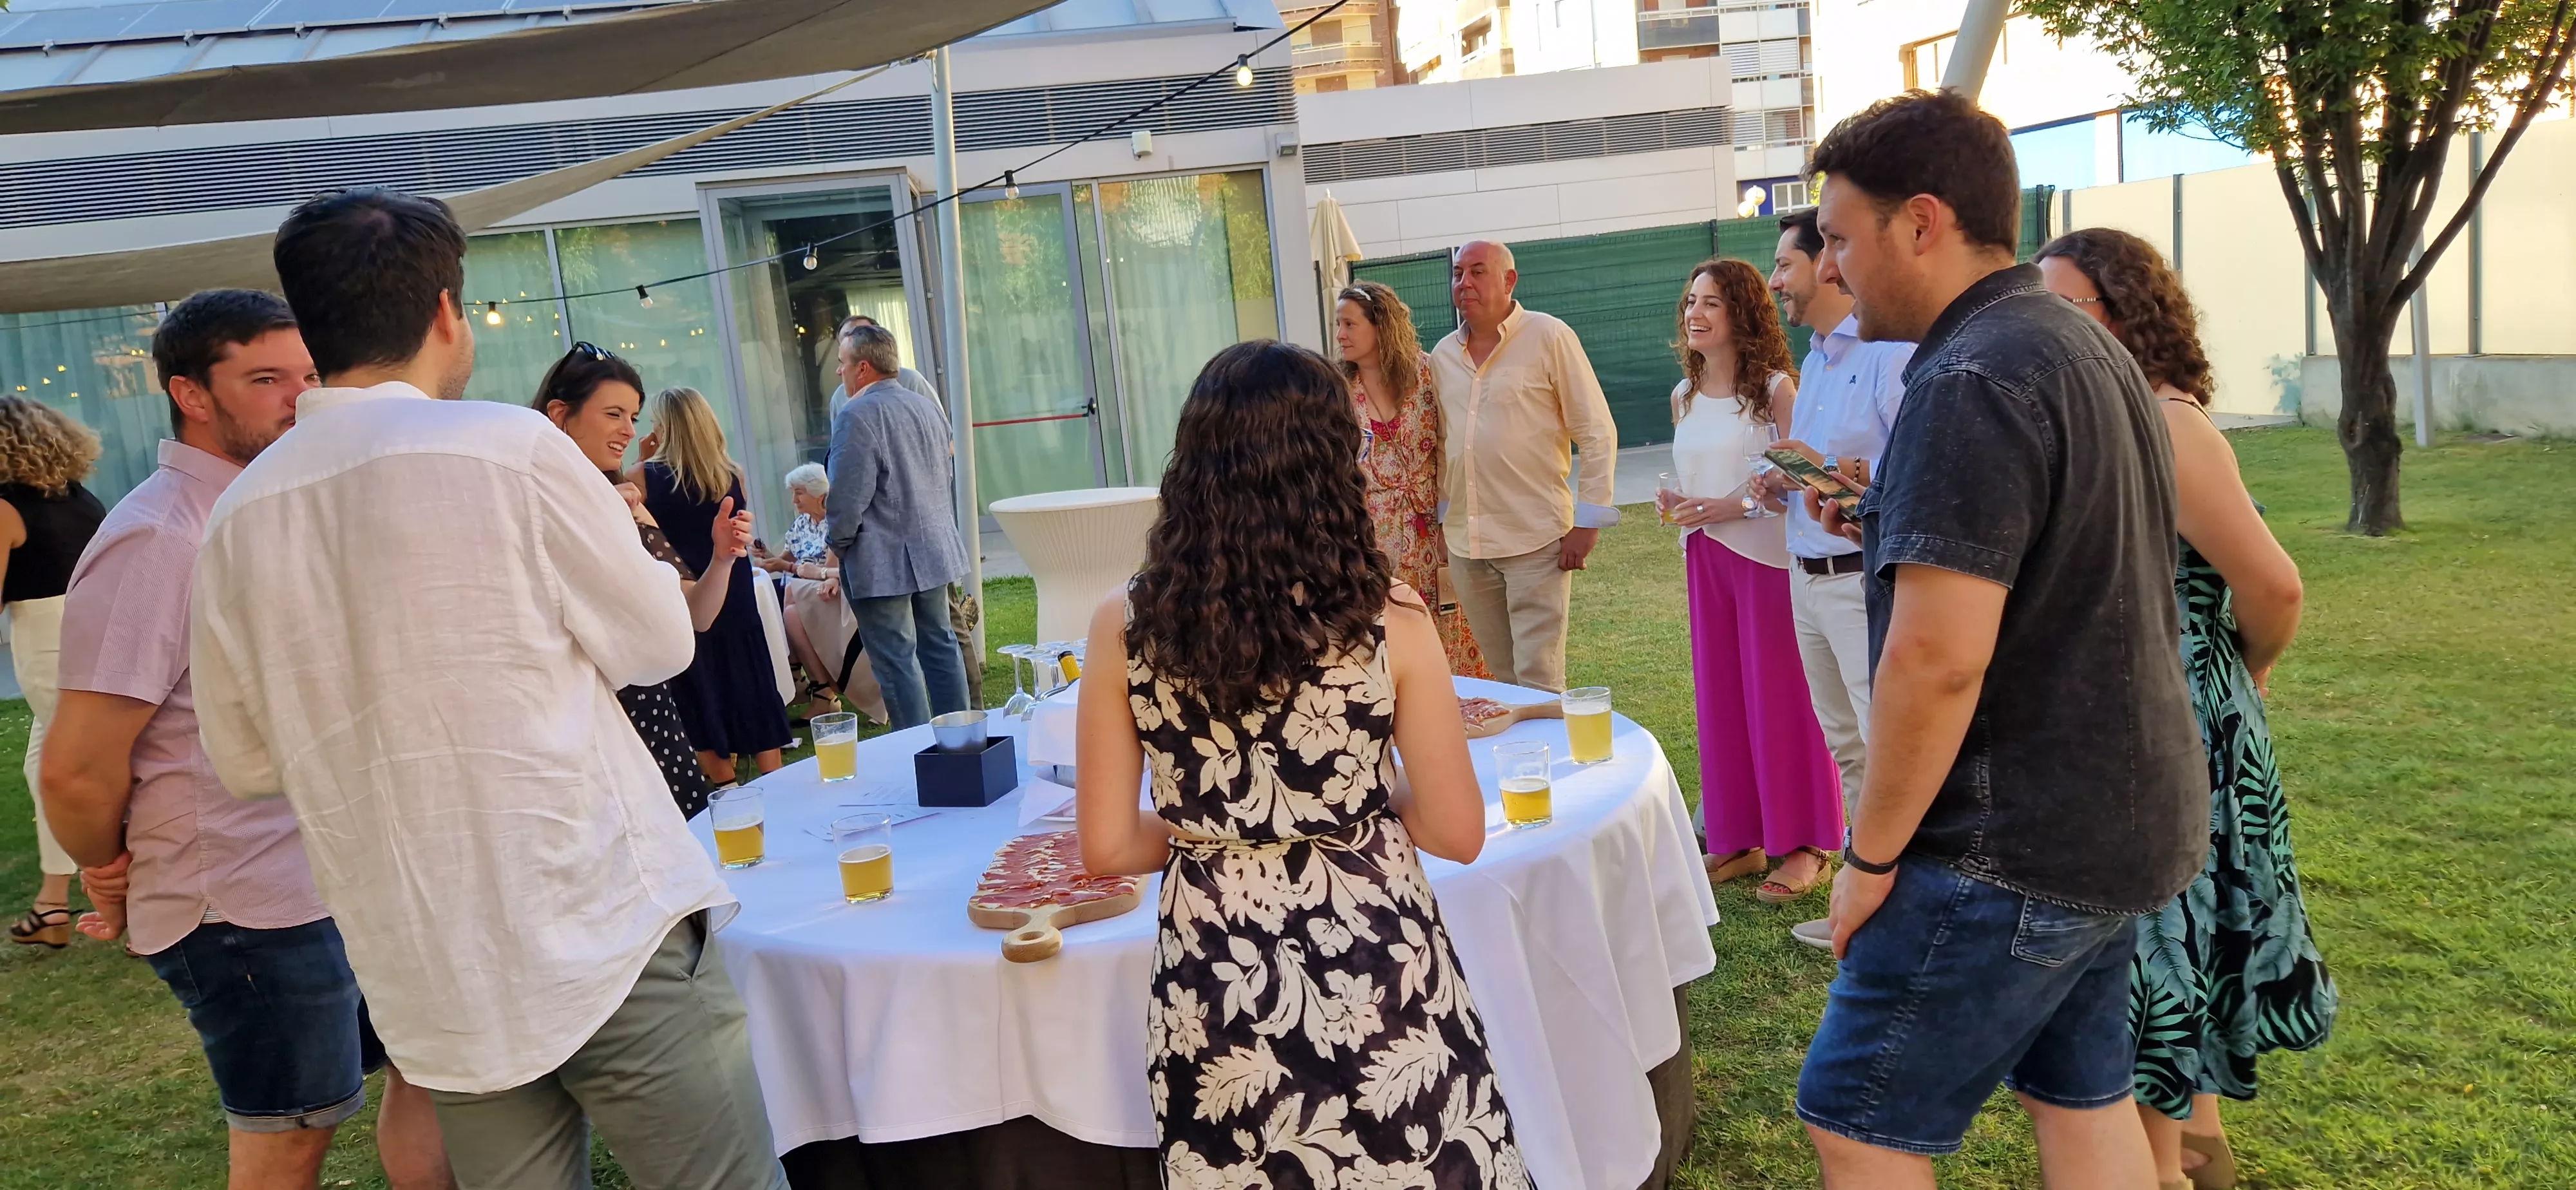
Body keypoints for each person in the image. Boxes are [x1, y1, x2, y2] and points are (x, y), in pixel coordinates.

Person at [189, 187, 784, 1190]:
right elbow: (657, 640)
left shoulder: (240, 517)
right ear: (447, 313)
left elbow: (246, 760)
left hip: (428, 957)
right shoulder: (510, 448)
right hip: (597, 917)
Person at [1792, 92, 2204, 1189]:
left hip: (2010, 838)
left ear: (1920, 222)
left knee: (1856, 1117)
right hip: (2116, 820)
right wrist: (1892, 510)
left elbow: (1938, 658)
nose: (1831, 268)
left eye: (1840, 236)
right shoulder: (2077, 341)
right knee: (2081, 1097)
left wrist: (1869, 856)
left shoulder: (1972, 373)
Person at [1074, 339, 1529, 1189]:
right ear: (1333, 464)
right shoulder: (1391, 621)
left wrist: (1211, 833)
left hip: (1216, 976)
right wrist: (1360, 800)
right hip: (1376, 962)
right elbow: (1457, 832)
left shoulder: (1124, 624)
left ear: (1195, 464)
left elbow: (1103, 847)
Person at [38, 288, 455, 1189]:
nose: (297, 399)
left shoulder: (281, 506)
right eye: (265, 379)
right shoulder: (159, 537)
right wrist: (105, 865)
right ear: (190, 393)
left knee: (433, 1073)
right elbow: (76, 765)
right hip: (243, 899)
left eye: (307, 377)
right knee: (290, 1141)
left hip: (340, 867)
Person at [2038, 228, 2336, 1190]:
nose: (2043, 328)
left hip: (2184, 721)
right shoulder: (2101, 418)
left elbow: (2274, 588)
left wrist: (2239, 680)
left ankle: (2171, 1159)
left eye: (2063, 306)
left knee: (2166, 948)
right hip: (2121, 718)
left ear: (2121, 313)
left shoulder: (2170, 424)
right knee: (2168, 950)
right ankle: (2195, 1148)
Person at [1657, 258, 1845, 903]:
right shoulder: (1682, 396)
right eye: (1690, 302)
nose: (1695, 314)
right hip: (1704, 558)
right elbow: (1701, 479)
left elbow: (1799, 478)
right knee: (1722, 696)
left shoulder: (1774, 390)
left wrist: (1730, 506)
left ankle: (1805, 843)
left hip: (1764, 561)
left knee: (1779, 698)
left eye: (1710, 302)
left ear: (1741, 312)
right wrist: (1681, 503)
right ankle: (1737, 838)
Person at [1767, 207, 1917, 950]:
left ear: (1825, 264)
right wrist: (1791, 479)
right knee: (1849, 748)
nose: (1776, 283)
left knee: (1884, 747)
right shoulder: (1819, 360)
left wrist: (1846, 478)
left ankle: (1905, 906)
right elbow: (1832, 472)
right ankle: (1867, 905)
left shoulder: (1890, 355)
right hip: (1806, 576)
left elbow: (1910, 471)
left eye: (1784, 266)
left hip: (1863, 580)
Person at [534, 343, 752, 820]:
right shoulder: (535, 501)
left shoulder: (627, 501)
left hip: (647, 709)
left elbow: (696, 612)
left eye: (632, 416)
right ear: (559, 415)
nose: (629, 431)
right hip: (574, 721)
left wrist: (721, 559)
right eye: (614, 413)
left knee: (685, 844)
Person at [1426, 240, 1622, 692]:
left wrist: (1588, 521)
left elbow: (1597, 432)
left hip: (1537, 542)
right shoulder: (1441, 356)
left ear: (1510, 280)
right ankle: (1519, 761)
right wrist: (1442, 522)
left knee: (1539, 678)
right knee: (1503, 680)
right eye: (1458, 273)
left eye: (1478, 272)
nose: (1465, 283)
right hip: (1467, 547)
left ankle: (1550, 761)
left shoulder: (1549, 336)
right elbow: (1442, 445)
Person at [1334, 279, 1490, 678]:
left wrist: (1446, 516)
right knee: (1393, 633)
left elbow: (1452, 444)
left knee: (1455, 628)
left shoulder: (1427, 373)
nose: (1340, 335)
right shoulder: (1337, 391)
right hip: (1372, 536)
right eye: (1339, 324)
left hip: (1436, 529)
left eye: (1350, 324)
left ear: (1380, 324)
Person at [638, 385, 791, 786]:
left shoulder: (644, 478)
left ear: (664, 427)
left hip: (686, 598)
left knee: (701, 689)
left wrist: (641, 460)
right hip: (737, 596)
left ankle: (725, 786)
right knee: (751, 682)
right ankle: (772, 778)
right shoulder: (731, 474)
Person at [825, 322, 972, 730]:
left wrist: (838, 543)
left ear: (864, 369)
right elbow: (942, 475)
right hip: (934, 547)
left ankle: (919, 752)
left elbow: (848, 495)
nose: (840, 372)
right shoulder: (927, 406)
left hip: (882, 556)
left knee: (896, 659)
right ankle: (962, 740)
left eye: (844, 364)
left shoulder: (855, 414)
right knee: (941, 646)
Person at [0, 396, 105, 949]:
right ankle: (52, 904)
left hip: (50, 646)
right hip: (99, 629)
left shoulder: (4, 507)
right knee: (45, 772)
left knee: (88, 770)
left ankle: (145, 899)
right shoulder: (77, 497)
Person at [759, 464, 888, 725]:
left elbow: (830, 571)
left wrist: (790, 568)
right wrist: (766, 559)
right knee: (786, 605)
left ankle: (811, 687)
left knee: (791, 600)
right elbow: (784, 560)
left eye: (799, 493)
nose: (794, 500)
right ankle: (816, 689)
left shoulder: (835, 522)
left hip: (833, 591)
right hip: (808, 591)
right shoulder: (801, 524)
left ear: (819, 495)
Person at [824, 314, 940, 412]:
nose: (857, 340)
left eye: (863, 334)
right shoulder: (839, 398)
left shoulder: (911, 381)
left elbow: (943, 431)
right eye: (847, 339)